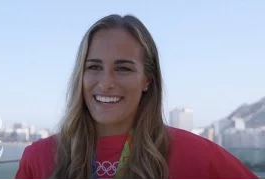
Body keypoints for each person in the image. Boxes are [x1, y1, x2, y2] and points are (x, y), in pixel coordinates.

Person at [15, 14, 259, 179]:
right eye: (94, 67)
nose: (106, 83)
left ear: (147, 80)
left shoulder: (199, 156)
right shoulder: (38, 158)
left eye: (123, 68)